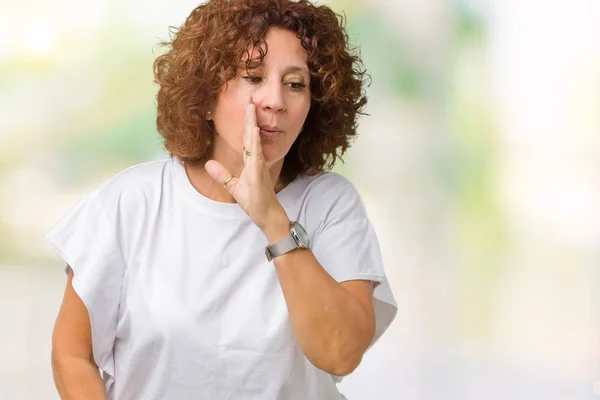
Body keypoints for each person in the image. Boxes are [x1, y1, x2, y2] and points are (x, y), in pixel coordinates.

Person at [46, 0, 398, 398]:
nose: (275, 100)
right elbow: (72, 354)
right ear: (206, 94)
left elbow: (340, 353)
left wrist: (273, 221)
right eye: (252, 77)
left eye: (295, 84)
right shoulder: (132, 202)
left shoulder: (331, 204)